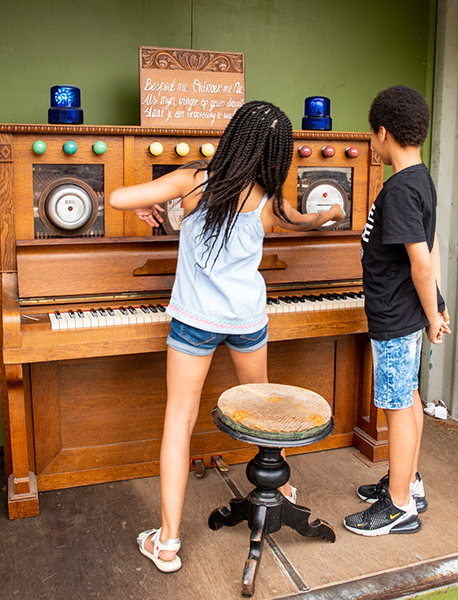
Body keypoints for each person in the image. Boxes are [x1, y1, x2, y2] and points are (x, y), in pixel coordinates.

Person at [109, 100, 346, 572]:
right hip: (246, 322)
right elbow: (311, 220)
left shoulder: (193, 180)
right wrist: (332, 212)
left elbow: (117, 199)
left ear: (233, 136)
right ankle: (276, 489)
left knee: (179, 421)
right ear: (275, 154)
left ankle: (168, 542)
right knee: (261, 408)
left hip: (194, 320)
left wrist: (153, 203)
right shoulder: (271, 202)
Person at [343, 85, 450, 537]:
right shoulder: (420, 179)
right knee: (408, 399)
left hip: (396, 316)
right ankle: (409, 482)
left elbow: (421, 262)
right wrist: (438, 304)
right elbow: (432, 245)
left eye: (371, 134)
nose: (371, 142)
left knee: (396, 407)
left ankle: (399, 506)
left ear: (383, 132)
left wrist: (431, 314)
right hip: (407, 312)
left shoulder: (401, 189)